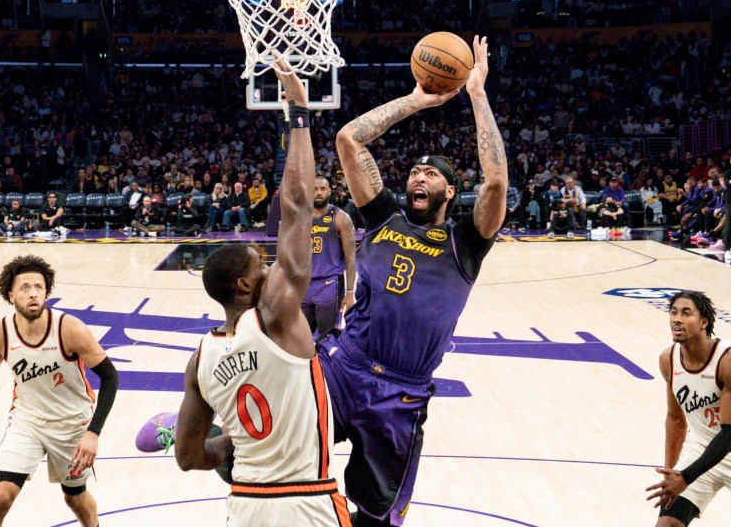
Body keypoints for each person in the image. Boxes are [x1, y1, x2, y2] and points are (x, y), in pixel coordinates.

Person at [328, 35, 506, 526]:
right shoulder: (383, 218)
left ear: (451, 190)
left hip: (402, 394)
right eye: (413, 171)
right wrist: (416, 100)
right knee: (282, 433)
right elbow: (349, 140)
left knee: (377, 515)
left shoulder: (466, 242)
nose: (418, 177)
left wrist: (475, 93)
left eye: (432, 173)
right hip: (347, 368)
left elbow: (495, 182)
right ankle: (204, 438)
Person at [174, 59, 351, 526]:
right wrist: (298, 116)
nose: (273, 270)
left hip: (245, 506)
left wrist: (227, 444)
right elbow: (295, 207)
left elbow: (188, 457)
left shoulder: (200, 360)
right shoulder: (274, 317)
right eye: (263, 266)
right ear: (245, 286)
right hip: (308, 502)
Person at [0, 255, 119, 526]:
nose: (33, 293)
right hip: (27, 422)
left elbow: (110, 377)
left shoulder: (69, 328)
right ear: (11, 295)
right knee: (1, 496)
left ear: (46, 292)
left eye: (38, 287)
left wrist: (93, 433)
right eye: (24, 288)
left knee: (75, 498)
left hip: (71, 423)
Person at [645, 291, 731, 527]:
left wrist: (686, 477)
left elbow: (730, 435)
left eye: (686, 313)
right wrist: (672, 472)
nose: (677, 319)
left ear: (703, 322)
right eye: (673, 312)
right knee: (667, 523)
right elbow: (675, 419)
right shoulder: (668, 360)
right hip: (699, 449)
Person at [303, 175, 357, 338]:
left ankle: (326, 364)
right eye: (314, 189)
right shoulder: (301, 218)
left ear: (329, 191)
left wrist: (349, 292)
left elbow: (351, 258)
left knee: (327, 338)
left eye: (322, 189)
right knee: (300, 337)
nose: (318, 193)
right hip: (304, 285)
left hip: (329, 284)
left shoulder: (341, 218)